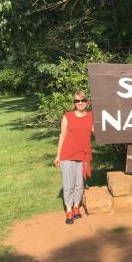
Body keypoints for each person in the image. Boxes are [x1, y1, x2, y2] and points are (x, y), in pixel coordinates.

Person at [54, 91, 93, 224]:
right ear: (74, 103)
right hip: (67, 154)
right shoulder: (67, 116)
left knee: (79, 184)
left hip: (83, 154)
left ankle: (76, 207)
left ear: (87, 102)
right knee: (68, 184)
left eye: (83, 100)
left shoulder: (92, 116)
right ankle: (69, 210)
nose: (80, 103)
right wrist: (58, 155)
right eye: (77, 101)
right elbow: (62, 136)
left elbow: (98, 131)